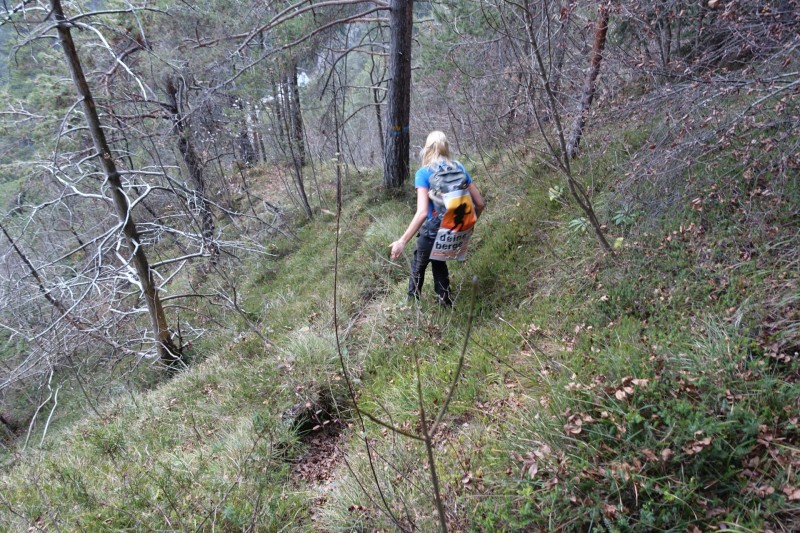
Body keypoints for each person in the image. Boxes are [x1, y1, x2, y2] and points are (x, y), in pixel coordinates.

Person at [389, 131, 485, 306]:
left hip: (434, 228)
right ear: (446, 147)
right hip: (454, 227)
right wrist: (468, 224)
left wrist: (402, 241)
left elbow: (422, 212)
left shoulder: (424, 173)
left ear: (427, 149)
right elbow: (479, 203)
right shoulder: (459, 167)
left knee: (419, 265)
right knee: (439, 263)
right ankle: (445, 303)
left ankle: (412, 306)